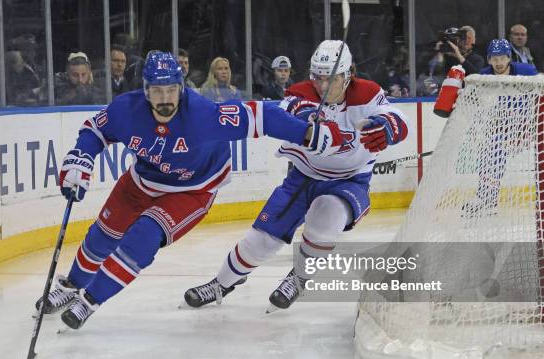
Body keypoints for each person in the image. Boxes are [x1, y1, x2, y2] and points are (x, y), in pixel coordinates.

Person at [35, 51, 350, 330]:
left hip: (192, 190)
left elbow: (261, 116)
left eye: (171, 89)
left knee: (143, 236)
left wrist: (307, 131)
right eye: (157, 90)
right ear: (145, 90)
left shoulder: (202, 115)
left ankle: (90, 300)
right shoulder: (125, 110)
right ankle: (73, 284)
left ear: (181, 88)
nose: (165, 98)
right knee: (104, 233)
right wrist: (81, 159)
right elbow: (96, 130)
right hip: (143, 180)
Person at [183, 40, 409, 311]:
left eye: (331, 79)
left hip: (349, 180)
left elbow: (398, 118)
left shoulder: (368, 94)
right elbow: (293, 110)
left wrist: (386, 128)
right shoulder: (300, 93)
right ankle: (221, 284)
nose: (323, 87)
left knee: (326, 216)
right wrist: (310, 122)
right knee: (262, 239)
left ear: (347, 76)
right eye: (318, 78)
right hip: (302, 177)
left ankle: (299, 278)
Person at [462, 39, 538, 217]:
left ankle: (487, 199)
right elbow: (475, 99)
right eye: (494, 58)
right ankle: (487, 199)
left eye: (502, 58)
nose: (498, 62)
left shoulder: (526, 71)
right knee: (491, 151)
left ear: (509, 58)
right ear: (488, 59)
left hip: (531, 126)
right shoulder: (484, 75)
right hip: (503, 128)